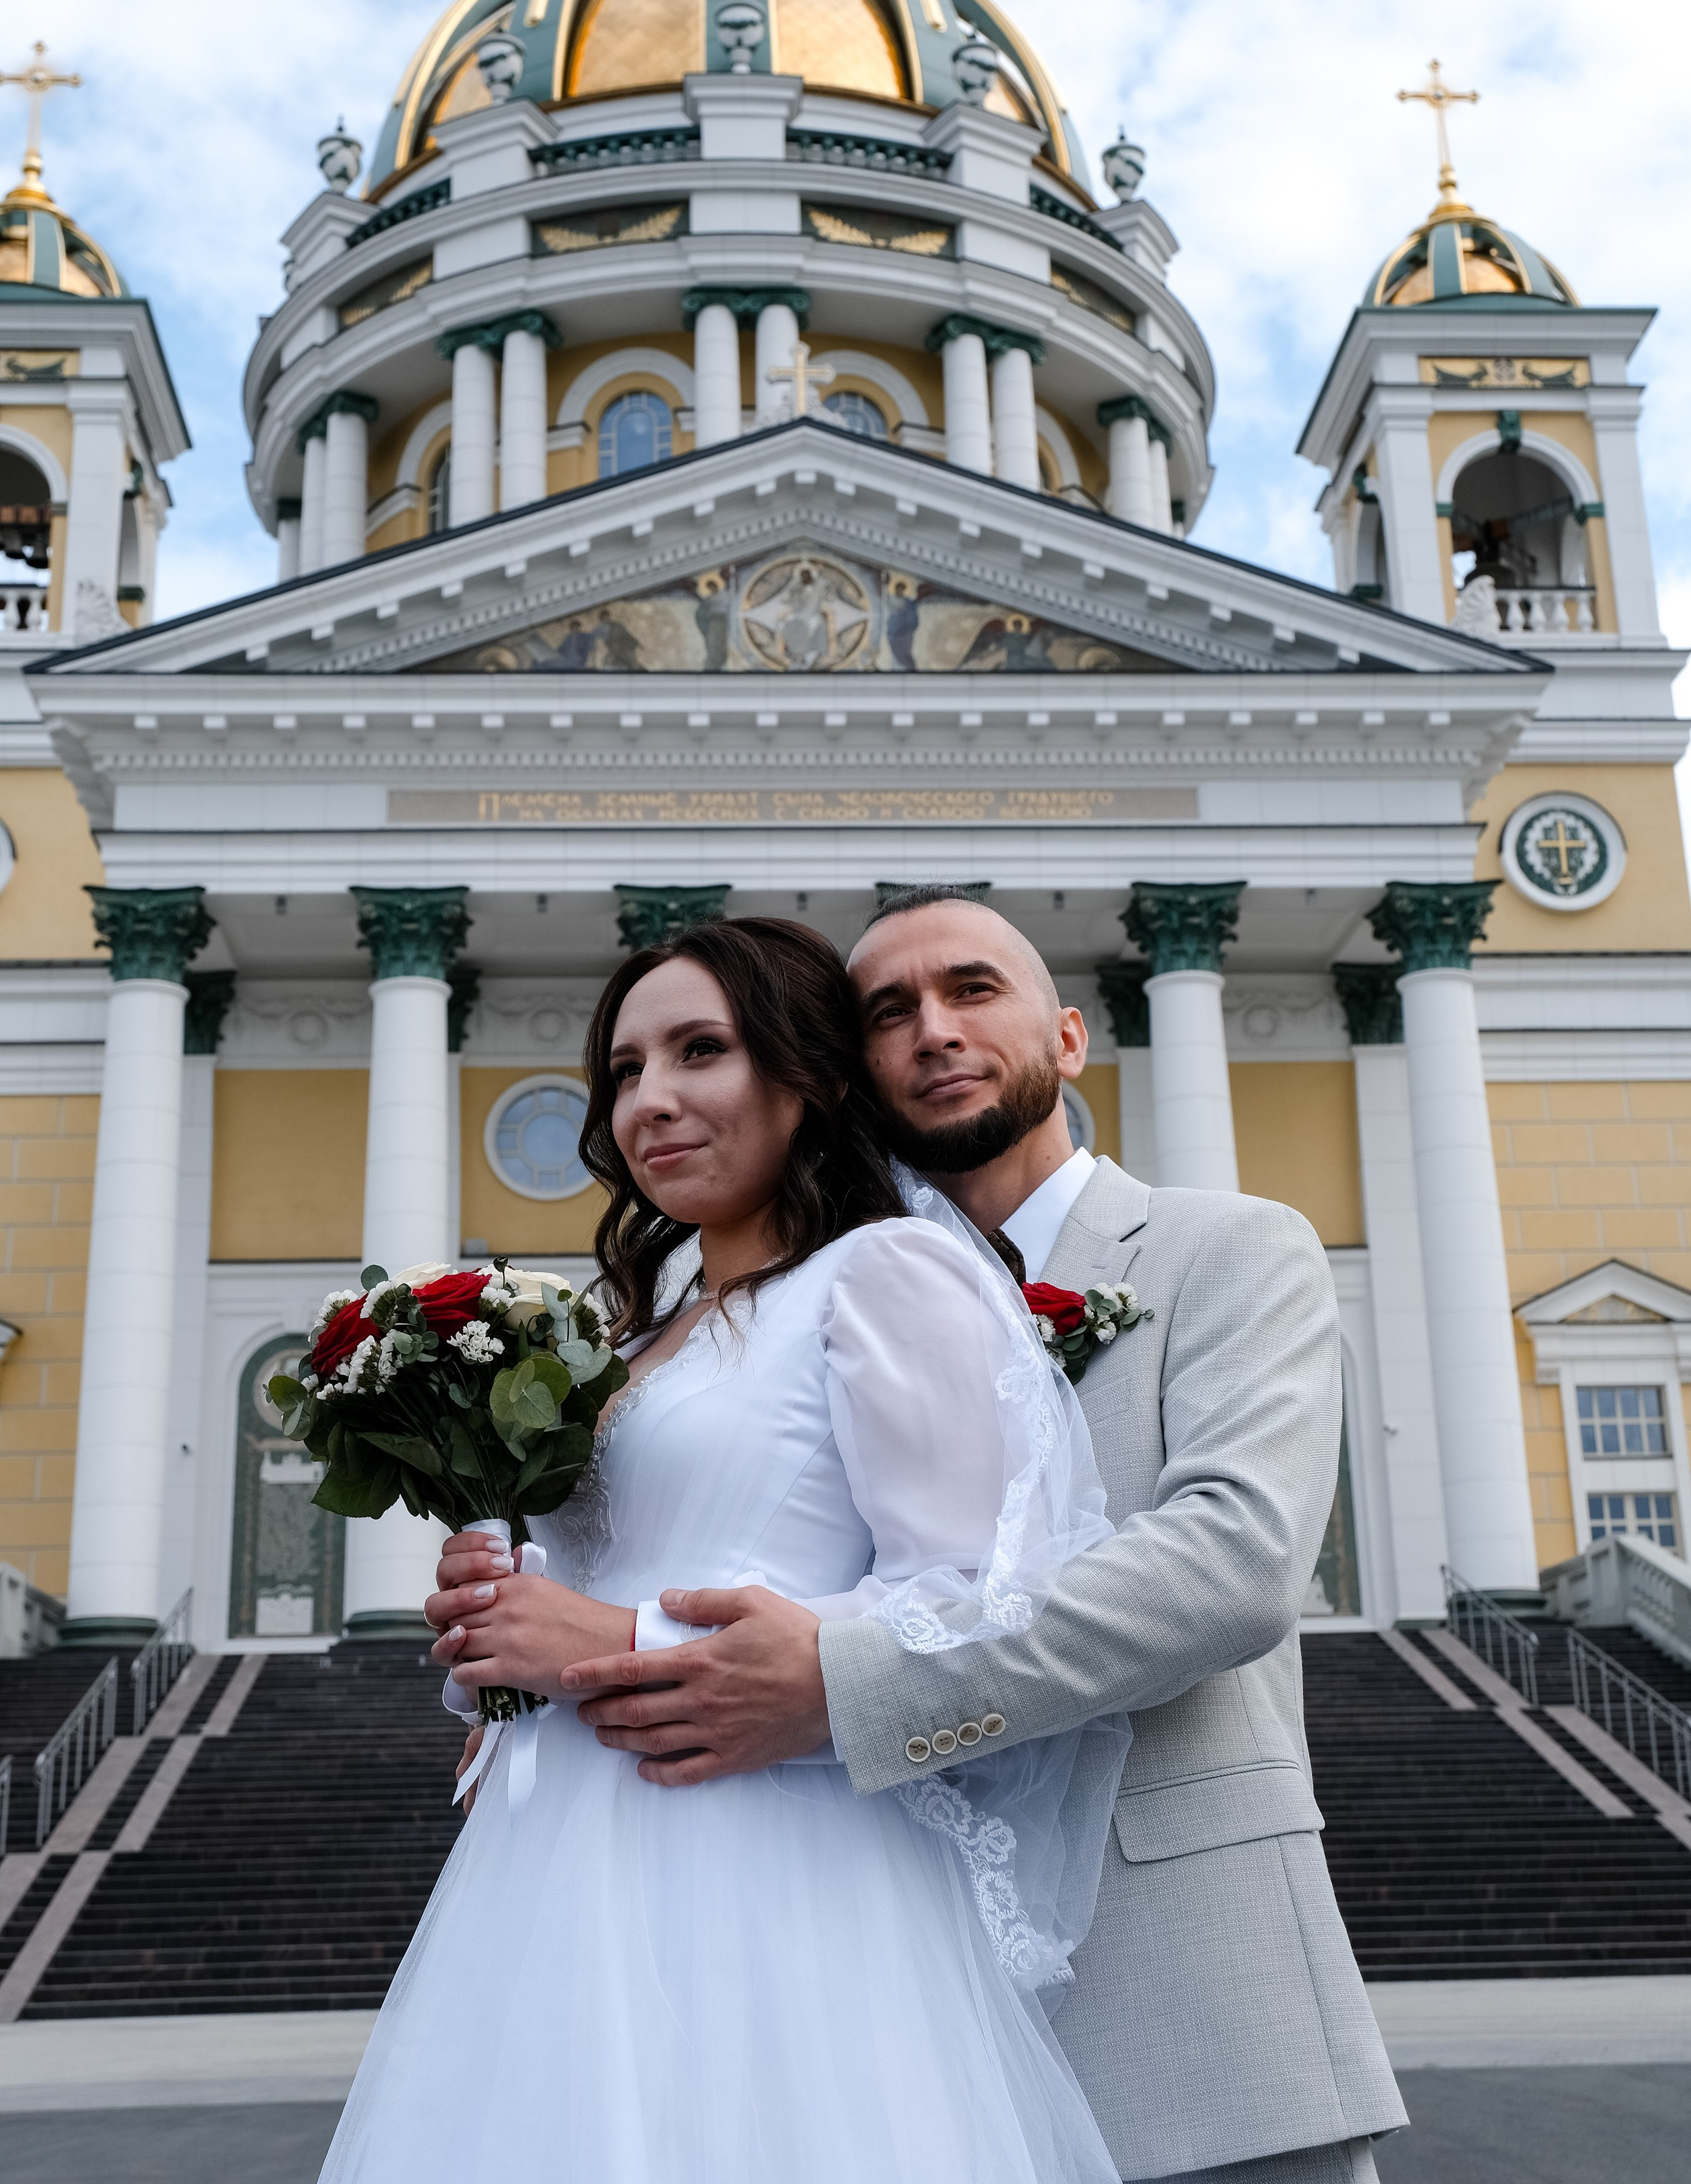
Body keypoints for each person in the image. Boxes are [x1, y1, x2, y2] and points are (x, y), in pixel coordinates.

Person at [553, 889, 1408, 2184]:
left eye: (970, 990)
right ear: (841, 1069)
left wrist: (845, 1686)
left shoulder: (1223, 1250)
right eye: (886, 1012)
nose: (931, 1032)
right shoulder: (770, 1301)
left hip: (1178, 1998)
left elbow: (1230, 1567)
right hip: (858, 1991)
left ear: (1067, 1038)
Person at [323, 916, 1130, 2184]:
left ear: (805, 1078)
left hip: (777, 1863)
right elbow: (603, 1580)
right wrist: (502, 1623)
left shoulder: (884, 1274)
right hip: (558, 1876)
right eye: (626, 1071)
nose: (653, 1100)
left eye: (702, 1051)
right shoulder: (627, 1335)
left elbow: (982, 1599)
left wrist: (622, 1643)